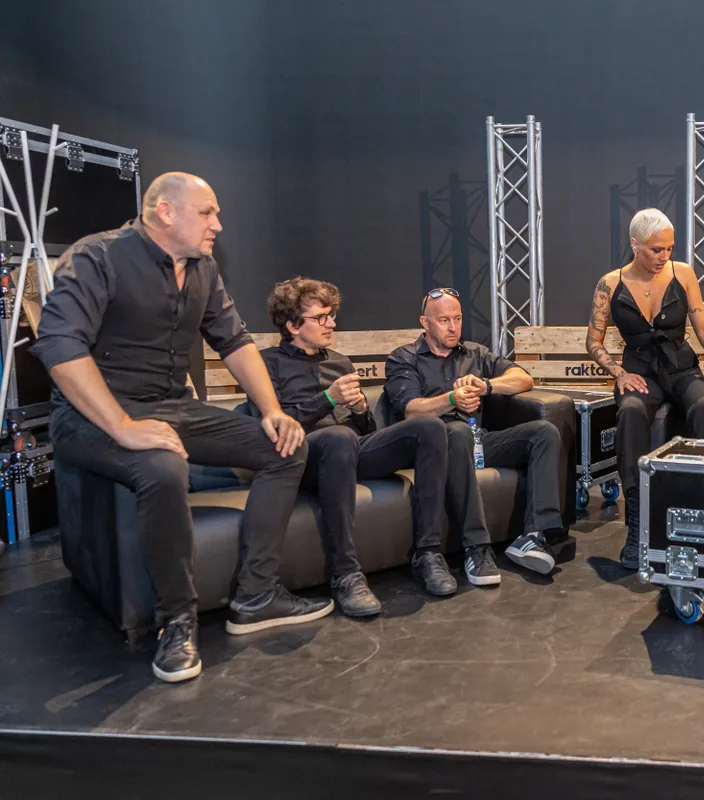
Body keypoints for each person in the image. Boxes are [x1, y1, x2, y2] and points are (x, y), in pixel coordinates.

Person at [32, 173, 331, 685]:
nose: (218, 224)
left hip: (171, 406)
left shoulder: (203, 269)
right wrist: (124, 426)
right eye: (207, 212)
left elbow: (234, 341)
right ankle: (177, 620)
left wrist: (272, 410)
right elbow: (60, 346)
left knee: (285, 447)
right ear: (165, 212)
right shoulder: (96, 257)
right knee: (163, 468)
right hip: (91, 415)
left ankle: (255, 596)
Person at [252, 277, 451, 606]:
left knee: (428, 427)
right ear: (292, 325)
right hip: (301, 459)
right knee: (338, 437)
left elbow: (363, 434)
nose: (331, 324)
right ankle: (345, 573)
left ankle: (429, 553)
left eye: (331, 315)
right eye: (321, 318)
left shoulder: (339, 362)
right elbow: (273, 426)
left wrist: (360, 412)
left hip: (347, 453)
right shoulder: (265, 364)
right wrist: (327, 399)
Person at [587, 208, 704, 569]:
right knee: (630, 411)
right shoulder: (610, 283)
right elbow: (593, 340)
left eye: (669, 248)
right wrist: (618, 373)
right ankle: (636, 520)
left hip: (681, 366)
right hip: (639, 371)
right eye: (656, 249)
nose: (664, 256)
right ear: (635, 244)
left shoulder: (682, 273)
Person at [384, 288, 563, 590]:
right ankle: (477, 547)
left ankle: (534, 536)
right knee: (456, 432)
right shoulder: (404, 358)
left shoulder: (475, 353)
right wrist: (451, 399)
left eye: (457, 319)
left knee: (543, 432)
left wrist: (486, 386)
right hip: (433, 448)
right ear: (425, 323)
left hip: (477, 441)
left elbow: (524, 378)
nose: (453, 327)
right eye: (444, 320)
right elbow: (411, 410)